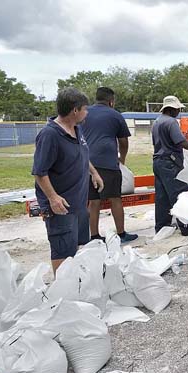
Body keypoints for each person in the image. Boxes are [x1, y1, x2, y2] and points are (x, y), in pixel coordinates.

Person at [31, 87, 104, 273]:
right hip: (61, 207)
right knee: (62, 251)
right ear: (75, 110)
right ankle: (62, 294)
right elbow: (40, 172)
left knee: (79, 247)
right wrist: (53, 198)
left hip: (78, 204)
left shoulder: (77, 130)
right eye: (85, 109)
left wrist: (94, 173)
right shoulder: (50, 135)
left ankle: (77, 284)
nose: (86, 113)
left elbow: (83, 155)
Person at [84, 87, 137, 243]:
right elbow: (123, 141)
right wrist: (122, 159)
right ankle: (121, 233)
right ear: (111, 101)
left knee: (93, 201)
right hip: (108, 163)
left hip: (88, 164)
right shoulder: (115, 115)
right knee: (115, 198)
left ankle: (94, 236)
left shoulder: (84, 113)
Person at [151, 95, 188, 235]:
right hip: (170, 163)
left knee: (162, 197)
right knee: (179, 194)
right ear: (172, 109)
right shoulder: (171, 122)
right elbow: (182, 142)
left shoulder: (157, 121)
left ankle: (162, 226)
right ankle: (186, 227)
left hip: (158, 162)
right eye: (178, 109)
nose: (179, 111)